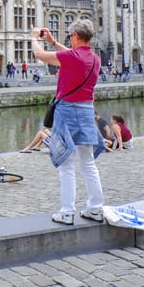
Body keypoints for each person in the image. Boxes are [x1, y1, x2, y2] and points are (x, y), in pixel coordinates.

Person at [31, 19, 105, 225]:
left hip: (68, 112)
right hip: (87, 112)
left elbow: (39, 55)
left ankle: (67, 211)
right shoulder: (94, 58)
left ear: (76, 36)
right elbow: (70, 58)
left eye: (70, 36)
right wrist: (54, 42)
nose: (69, 39)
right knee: (88, 163)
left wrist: (33, 38)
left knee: (66, 163)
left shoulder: (73, 57)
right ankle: (96, 208)